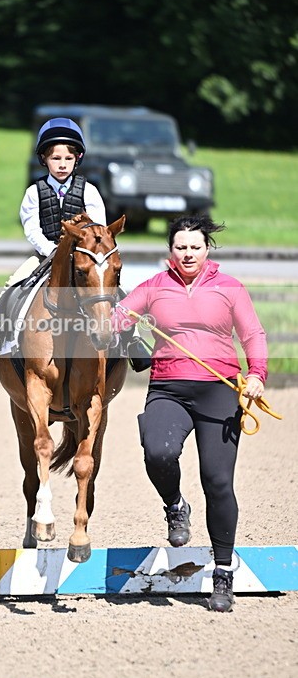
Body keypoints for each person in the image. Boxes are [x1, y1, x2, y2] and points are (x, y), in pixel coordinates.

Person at [111, 215, 268, 612]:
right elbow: (115, 319)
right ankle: (175, 505)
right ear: (171, 250)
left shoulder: (229, 288)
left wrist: (256, 375)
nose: (188, 253)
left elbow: (252, 334)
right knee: (158, 452)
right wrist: (117, 323)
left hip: (220, 392)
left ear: (206, 249)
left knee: (217, 482)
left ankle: (222, 574)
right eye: (181, 247)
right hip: (168, 389)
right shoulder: (154, 287)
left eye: (195, 246)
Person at [0, 117, 106, 367]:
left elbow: (100, 231)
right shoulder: (34, 192)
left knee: (112, 288)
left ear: (78, 158)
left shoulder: (90, 191)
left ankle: (130, 341)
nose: (62, 165)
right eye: (56, 158)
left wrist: (82, 252)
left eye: (68, 158)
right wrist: (52, 251)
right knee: (12, 285)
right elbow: (31, 228)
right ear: (44, 159)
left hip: (84, 258)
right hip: (44, 255)